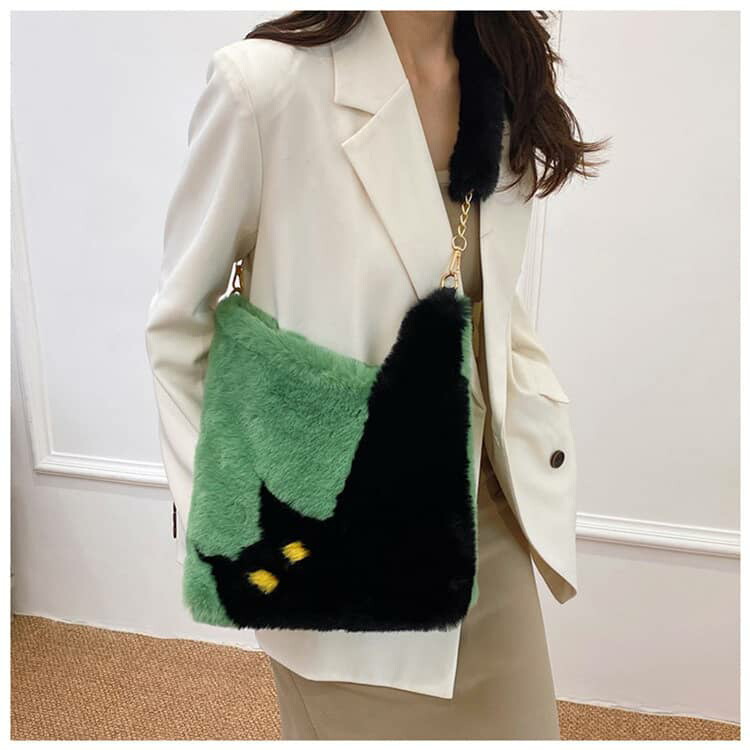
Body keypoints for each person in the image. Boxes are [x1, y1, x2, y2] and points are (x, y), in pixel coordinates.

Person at [145, 9, 607, 740]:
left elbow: (486, 294)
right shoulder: (265, 89)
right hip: (333, 541)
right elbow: (179, 325)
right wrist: (236, 526)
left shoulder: (502, 75)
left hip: (488, 517)